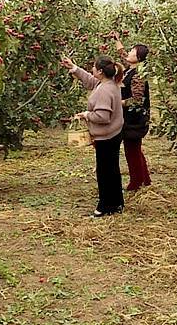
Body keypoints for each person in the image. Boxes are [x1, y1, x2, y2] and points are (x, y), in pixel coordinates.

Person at [61, 55, 125, 217]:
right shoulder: (109, 83)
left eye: (94, 67)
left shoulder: (104, 90)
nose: (92, 70)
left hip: (107, 137)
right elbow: (90, 80)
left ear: (101, 71)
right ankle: (117, 203)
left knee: (104, 172)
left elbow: (103, 117)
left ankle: (104, 206)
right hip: (114, 133)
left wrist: (87, 115)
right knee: (112, 170)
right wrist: (73, 68)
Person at [114, 35, 152, 190]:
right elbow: (123, 56)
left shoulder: (137, 76)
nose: (128, 53)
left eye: (132, 51)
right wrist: (116, 40)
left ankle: (136, 183)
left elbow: (137, 100)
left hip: (135, 120)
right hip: (131, 119)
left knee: (132, 151)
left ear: (138, 58)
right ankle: (145, 180)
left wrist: (118, 103)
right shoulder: (131, 69)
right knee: (135, 150)